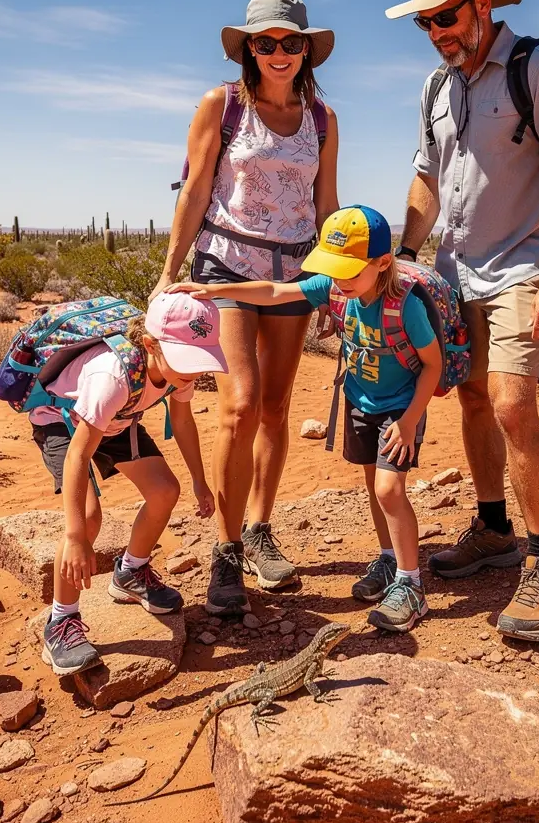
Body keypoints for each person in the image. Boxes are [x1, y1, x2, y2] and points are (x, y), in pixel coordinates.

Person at [386, 0, 539, 641]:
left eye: (445, 16)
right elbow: (425, 179)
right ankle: (493, 528)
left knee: (511, 403)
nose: (437, 32)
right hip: (455, 269)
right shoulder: (435, 87)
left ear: (482, 4)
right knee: (472, 396)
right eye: (425, 23)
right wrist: (404, 258)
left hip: (524, 263)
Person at [151, 0, 339, 616]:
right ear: (249, 49)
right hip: (225, 269)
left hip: (294, 273)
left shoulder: (322, 118)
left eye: (291, 43)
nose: (279, 53)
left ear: (307, 49)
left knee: (279, 406)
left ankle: (259, 527)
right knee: (239, 404)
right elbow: (196, 188)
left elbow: (326, 202)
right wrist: (169, 273)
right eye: (266, 43)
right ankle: (226, 550)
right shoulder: (223, 105)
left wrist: (339, 275)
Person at [167, 206, 441, 633]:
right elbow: (277, 292)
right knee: (373, 483)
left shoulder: (406, 307)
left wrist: (409, 420)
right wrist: (217, 291)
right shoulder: (335, 287)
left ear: (382, 263)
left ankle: (411, 585)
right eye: (332, 270)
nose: (338, 280)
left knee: (388, 488)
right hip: (361, 403)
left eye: (348, 271)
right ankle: (389, 561)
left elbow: (433, 366)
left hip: (400, 408)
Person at [32, 293, 225, 675]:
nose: (194, 372)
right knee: (87, 518)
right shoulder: (111, 376)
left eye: (199, 360)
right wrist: (74, 537)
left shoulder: (176, 370)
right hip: (64, 421)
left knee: (165, 491)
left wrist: (199, 481)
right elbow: (78, 455)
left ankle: (130, 572)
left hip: (120, 419)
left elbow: (183, 421)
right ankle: (61, 620)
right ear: (151, 344)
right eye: (187, 359)